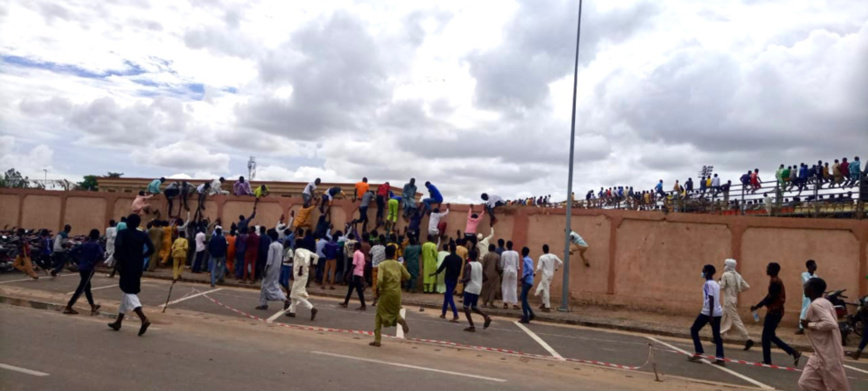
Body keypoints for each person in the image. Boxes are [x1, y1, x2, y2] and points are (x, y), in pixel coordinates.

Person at [798, 277, 851, 391]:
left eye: (806, 285)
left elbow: (831, 323)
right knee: (805, 383)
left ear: (812, 288)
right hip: (818, 354)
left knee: (838, 388)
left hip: (828, 355)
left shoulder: (817, 304)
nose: (804, 287)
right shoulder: (825, 302)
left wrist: (809, 325)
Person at [108, 214, 155, 336]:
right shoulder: (143, 234)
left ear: (128, 222)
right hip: (137, 265)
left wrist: (118, 262)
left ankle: (143, 318)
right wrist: (141, 256)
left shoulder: (123, 233)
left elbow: (118, 248)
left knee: (128, 291)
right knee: (127, 291)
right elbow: (152, 249)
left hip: (125, 264)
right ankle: (118, 322)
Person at [750, 262, 802, 366]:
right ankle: (793, 352)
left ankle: (769, 359)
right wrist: (758, 306)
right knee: (770, 336)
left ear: (773, 270)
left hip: (774, 312)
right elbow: (769, 296)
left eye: (768, 268)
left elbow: (770, 297)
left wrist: (758, 306)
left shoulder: (775, 282)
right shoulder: (775, 281)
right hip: (775, 311)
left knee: (766, 336)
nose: (766, 270)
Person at [370, 245, 410, 347]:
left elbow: (379, 280)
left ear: (385, 254)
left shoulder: (382, 265)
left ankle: (377, 340)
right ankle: (400, 320)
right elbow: (408, 276)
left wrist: (377, 291)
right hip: (397, 293)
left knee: (379, 315)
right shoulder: (399, 265)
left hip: (386, 293)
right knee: (394, 311)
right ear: (394, 254)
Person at [688, 264, 725, 366]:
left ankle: (699, 352)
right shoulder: (716, 284)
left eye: (703, 271)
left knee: (694, 329)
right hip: (718, 312)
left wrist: (710, 316)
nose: (702, 273)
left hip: (707, 312)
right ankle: (720, 357)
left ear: (707, 273)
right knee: (717, 336)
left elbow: (711, 298)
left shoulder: (707, 284)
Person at [64, 229, 103, 315]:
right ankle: (69, 306)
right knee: (82, 288)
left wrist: (78, 261)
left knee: (87, 286)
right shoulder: (96, 245)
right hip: (89, 268)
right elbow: (101, 254)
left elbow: (71, 252)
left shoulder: (84, 244)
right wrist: (94, 263)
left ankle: (92, 306)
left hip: (82, 267)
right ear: (97, 236)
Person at [719, 259, 755, 351]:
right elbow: (746, 286)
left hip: (728, 301)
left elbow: (722, 286)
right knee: (722, 317)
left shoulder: (725, 275)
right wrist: (737, 290)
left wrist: (719, 281)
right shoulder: (738, 275)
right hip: (733, 299)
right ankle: (719, 336)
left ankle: (748, 339)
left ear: (728, 266)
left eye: (725, 264)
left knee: (736, 320)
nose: (724, 266)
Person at [256, 230, 290, 311]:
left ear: (270, 237)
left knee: (265, 285)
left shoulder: (272, 246)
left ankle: (283, 300)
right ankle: (264, 303)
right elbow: (282, 257)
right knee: (274, 285)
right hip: (277, 268)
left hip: (271, 268)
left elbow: (269, 259)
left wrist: (265, 269)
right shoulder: (281, 246)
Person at [461, 250, 492, 332]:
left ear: (469, 256)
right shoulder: (480, 265)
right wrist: (479, 281)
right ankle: (485, 316)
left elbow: (468, 278)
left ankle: (472, 325)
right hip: (478, 287)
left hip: (470, 288)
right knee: (473, 306)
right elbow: (486, 278)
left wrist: (462, 280)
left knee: (465, 307)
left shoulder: (469, 265)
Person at [431, 242, 462, 322]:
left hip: (448, 278)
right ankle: (443, 313)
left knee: (449, 296)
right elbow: (459, 271)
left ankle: (455, 314)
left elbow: (441, 268)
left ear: (450, 249)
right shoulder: (459, 259)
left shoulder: (448, 258)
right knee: (447, 295)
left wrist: (434, 273)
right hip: (454, 279)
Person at [287, 245, 319, 320]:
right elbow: (316, 256)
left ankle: (312, 308)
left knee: (297, 294)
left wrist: (300, 269)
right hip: (305, 273)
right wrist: (313, 265)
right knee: (293, 293)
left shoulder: (297, 250)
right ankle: (292, 311)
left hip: (299, 274)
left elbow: (302, 257)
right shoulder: (307, 251)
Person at [534, 244, 563, 312]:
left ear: (543, 250)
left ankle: (547, 306)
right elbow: (560, 262)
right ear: (548, 249)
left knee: (546, 290)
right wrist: (556, 268)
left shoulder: (542, 257)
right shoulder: (553, 256)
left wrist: (535, 272)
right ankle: (544, 303)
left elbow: (539, 268)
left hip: (545, 276)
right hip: (551, 275)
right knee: (541, 288)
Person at [340, 242, 367, 310]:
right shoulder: (362, 254)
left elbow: (354, 264)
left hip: (356, 273)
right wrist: (363, 275)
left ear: (356, 247)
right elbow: (363, 264)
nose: (353, 248)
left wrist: (349, 274)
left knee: (358, 290)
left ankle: (363, 305)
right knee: (351, 288)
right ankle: (346, 302)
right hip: (360, 272)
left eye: (354, 246)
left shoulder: (356, 253)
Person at [797, 260, 818, 335]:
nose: (815, 266)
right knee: (804, 310)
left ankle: (812, 327)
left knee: (813, 310)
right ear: (809, 266)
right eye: (814, 265)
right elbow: (808, 282)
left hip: (814, 295)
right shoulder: (804, 274)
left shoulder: (816, 276)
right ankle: (801, 328)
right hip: (807, 295)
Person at [480, 244, 502, 309]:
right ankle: (491, 303)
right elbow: (498, 267)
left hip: (486, 275)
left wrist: (483, 274)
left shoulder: (486, 255)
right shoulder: (497, 256)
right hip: (494, 275)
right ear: (494, 249)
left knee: (485, 289)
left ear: (489, 248)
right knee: (493, 289)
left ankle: (484, 303)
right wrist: (500, 272)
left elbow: (483, 266)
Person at [501, 241, 520, 310]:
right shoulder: (516, 253)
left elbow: (502, 264)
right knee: (513, 287)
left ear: (506, 245)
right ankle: (515, 304)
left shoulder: (504, 253)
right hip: (514, 271)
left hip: (506, 270)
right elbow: (517, 265)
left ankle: (505, 303)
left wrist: (502, 270)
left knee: (505, 286)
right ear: (512, 245)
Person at [519, 247, 535, 323]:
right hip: (529, 281)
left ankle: (526, 316)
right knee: (524, 298)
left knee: (523, 298)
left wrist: (524, 277)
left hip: (527, 281)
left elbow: (530, 269)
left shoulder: (526, 260)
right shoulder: (529, 259)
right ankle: (530, 314)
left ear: (522, 252)